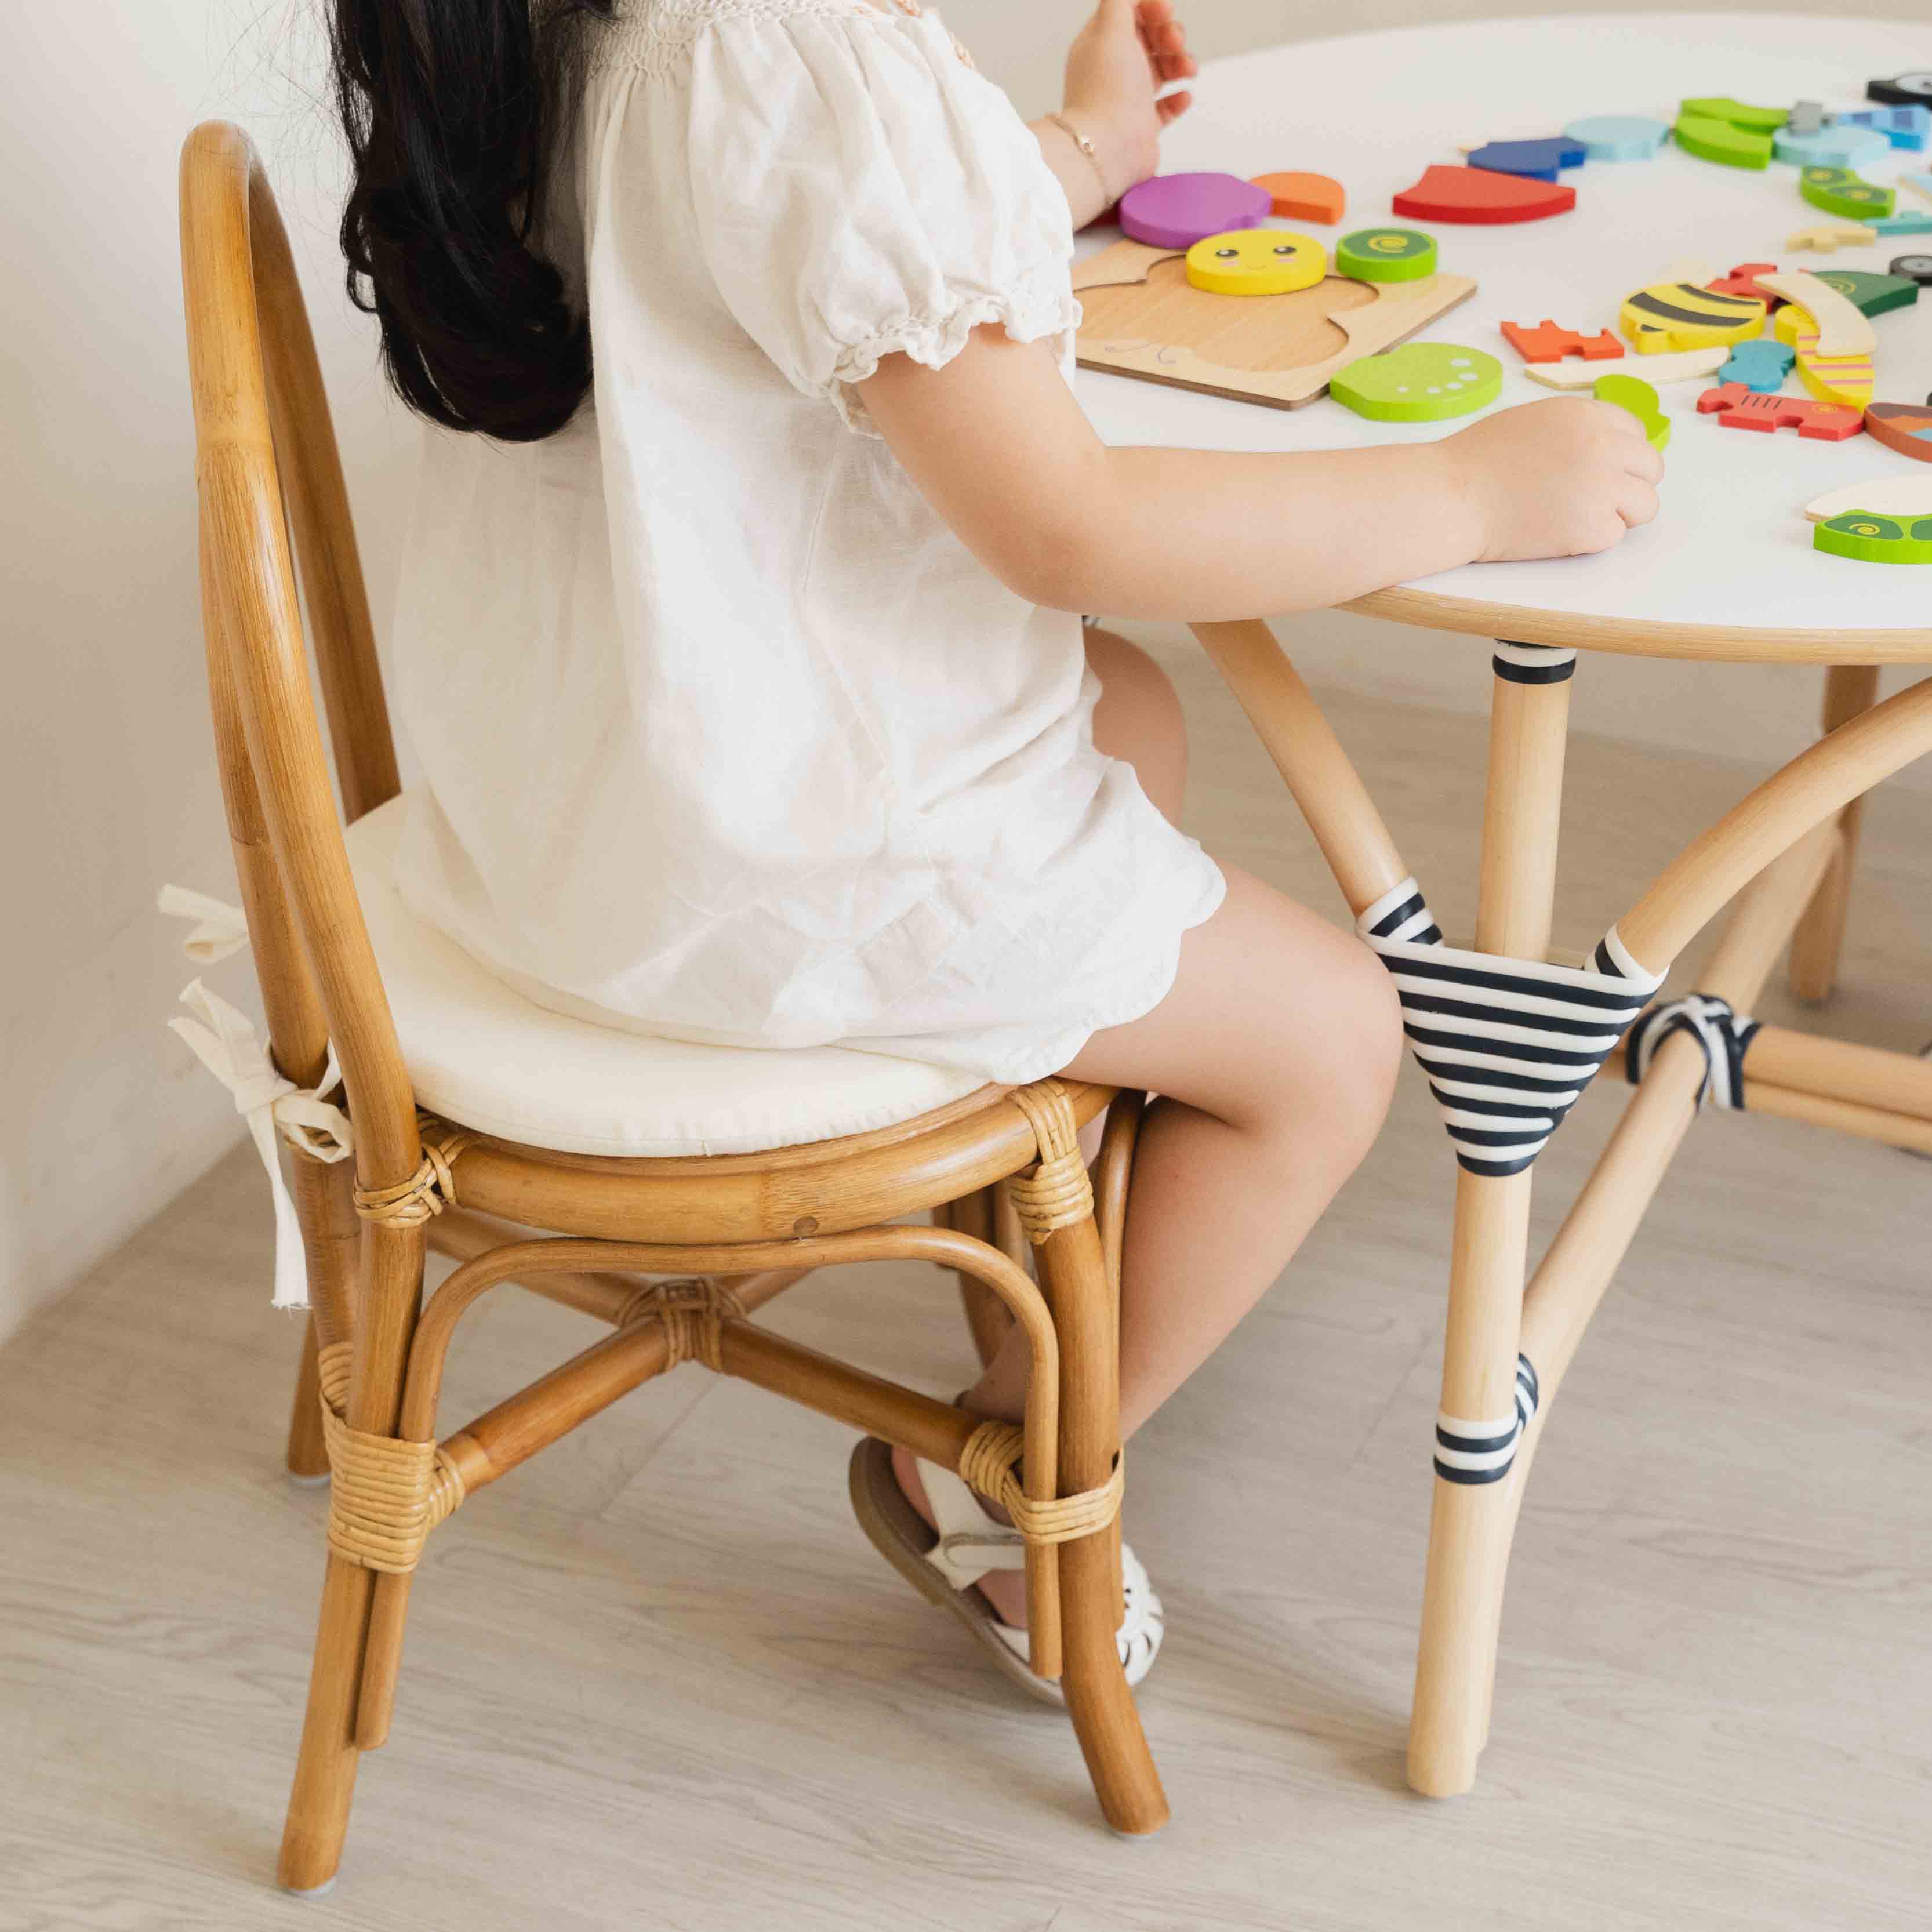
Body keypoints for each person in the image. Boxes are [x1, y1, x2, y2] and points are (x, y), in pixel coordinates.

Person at [330, 0, 1662, 1698]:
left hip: (550, 809)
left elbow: (809, 218)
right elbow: (1071, 524)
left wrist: (1089, 155)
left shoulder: (539, 30)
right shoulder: (798, 49)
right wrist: (1471, 490)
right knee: (1330, 1037)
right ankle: (1000, 1453)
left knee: (1130, 715)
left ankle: (1020, 1238)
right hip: (760, 865)